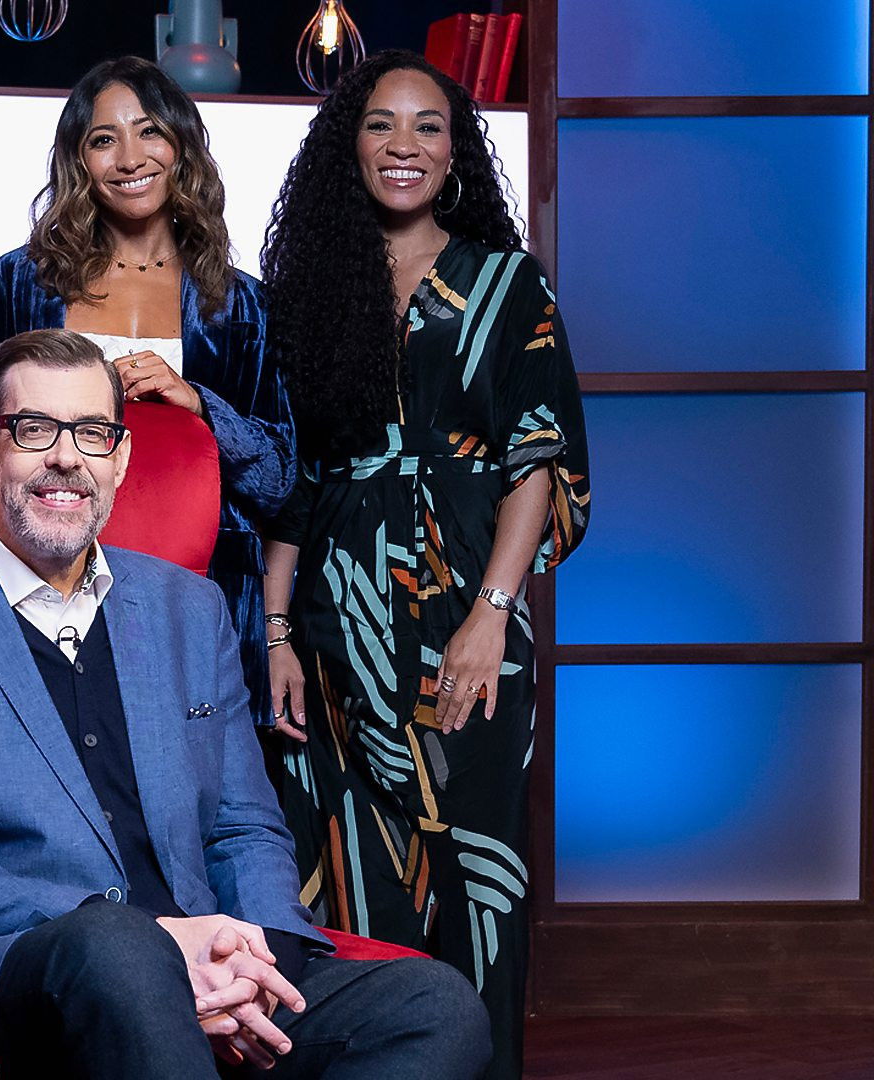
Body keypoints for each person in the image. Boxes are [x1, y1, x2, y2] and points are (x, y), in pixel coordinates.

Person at [0, 329, 491, 1080]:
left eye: (93, 433)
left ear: (121, 459)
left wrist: (248, 961)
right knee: (118, 945)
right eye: (35, 429)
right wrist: (163, 946)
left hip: (210, 955)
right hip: (41, 974)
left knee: (436, 1005)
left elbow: (245, 826)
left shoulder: (189, 607)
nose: (67, 458)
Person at [257, 51, 590, 1080]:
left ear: (455, 154)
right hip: (338, 622)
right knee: (348, 867)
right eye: (380, 125)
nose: (404, 145)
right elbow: (297, 477)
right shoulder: (315, 291)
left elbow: (539, 458)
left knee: (479, 871)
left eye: (429, 126)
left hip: (464, 612)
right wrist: (276, 631)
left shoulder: (507, 282)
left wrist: (491, 614)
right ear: (347, 147)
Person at [0, 56, 294, 732]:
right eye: (103, 139)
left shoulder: (244, 307)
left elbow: (282, 482)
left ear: (182, 146)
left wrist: (199, 405)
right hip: (40, 582)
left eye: (149, 132)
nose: (129, 158)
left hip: (204, 591)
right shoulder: (13, 286)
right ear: (77, 160)